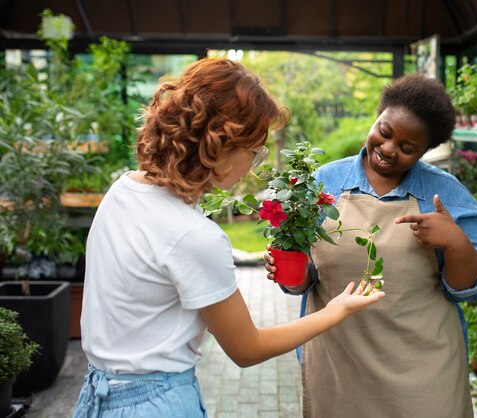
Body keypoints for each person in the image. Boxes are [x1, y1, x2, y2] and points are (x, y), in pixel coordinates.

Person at [72, 57, 384, 418]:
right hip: (156, 404)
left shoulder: (123, 190)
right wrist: (334, 312)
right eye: (253, 152)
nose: (253, 165)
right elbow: (246, 348)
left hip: (99, 395)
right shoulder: (193, 235)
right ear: (219, 144)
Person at [264, 73, 477, 418]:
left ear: (425, 151)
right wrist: (289, 274)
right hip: (339, 368)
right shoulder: (324, 183)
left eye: (407, 148)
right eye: (385, 132)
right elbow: (307, 277)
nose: (388, 149)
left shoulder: (446, 194)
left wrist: (455, 243)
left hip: (424, 377)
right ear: (377, 116)